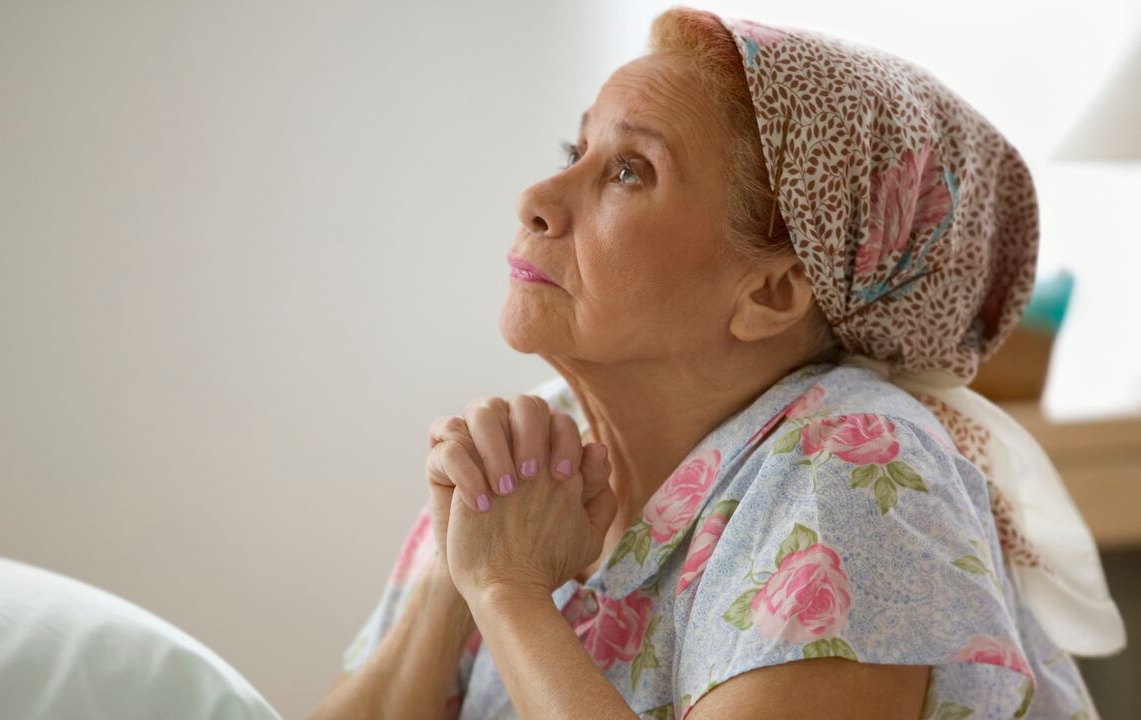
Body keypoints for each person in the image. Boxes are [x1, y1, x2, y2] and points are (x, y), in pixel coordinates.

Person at [307, 7, 1125, 719]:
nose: (539, 196)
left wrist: (509, 596)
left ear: (771, 292)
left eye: (629, 170)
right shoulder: (538, 436)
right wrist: (460, 579)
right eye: (576, 147)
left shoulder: (856, 469)